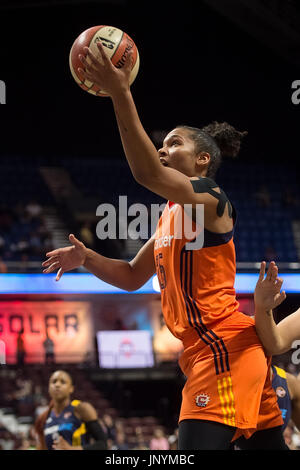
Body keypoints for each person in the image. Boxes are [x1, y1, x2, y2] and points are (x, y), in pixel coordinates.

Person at [42, 44, 286, 450]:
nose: (162, 150)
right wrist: (87, 257)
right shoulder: (171, 216)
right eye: (163, 145)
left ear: (203, 160)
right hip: (209, 350)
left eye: (174, 144)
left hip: (222, 347)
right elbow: (133, 276)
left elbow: (146, 172)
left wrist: (120, 92)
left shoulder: (211, 199)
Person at [34, 370, 107, 450]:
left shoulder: (81, 409)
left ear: (71, 388)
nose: (57, 385)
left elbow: (103, 445)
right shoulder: (44, 418)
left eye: (63, 382)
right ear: (48, 388)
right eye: (54, 382)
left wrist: (73, 449)